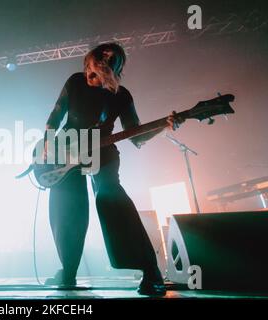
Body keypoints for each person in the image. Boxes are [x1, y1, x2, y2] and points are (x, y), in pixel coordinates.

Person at [43, 43, 184, 296]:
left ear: (110, 73)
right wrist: (47, 144)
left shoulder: (121, 96)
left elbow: (137, 136)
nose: (89, 76)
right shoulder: (75, 82)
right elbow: (55, 116)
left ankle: (150, 271)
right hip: (65, 152)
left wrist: (165, 125)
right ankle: (68, 272)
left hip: (103, 154)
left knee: (111, 200)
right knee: (67, 208)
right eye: (88, 69)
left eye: (96, 73)